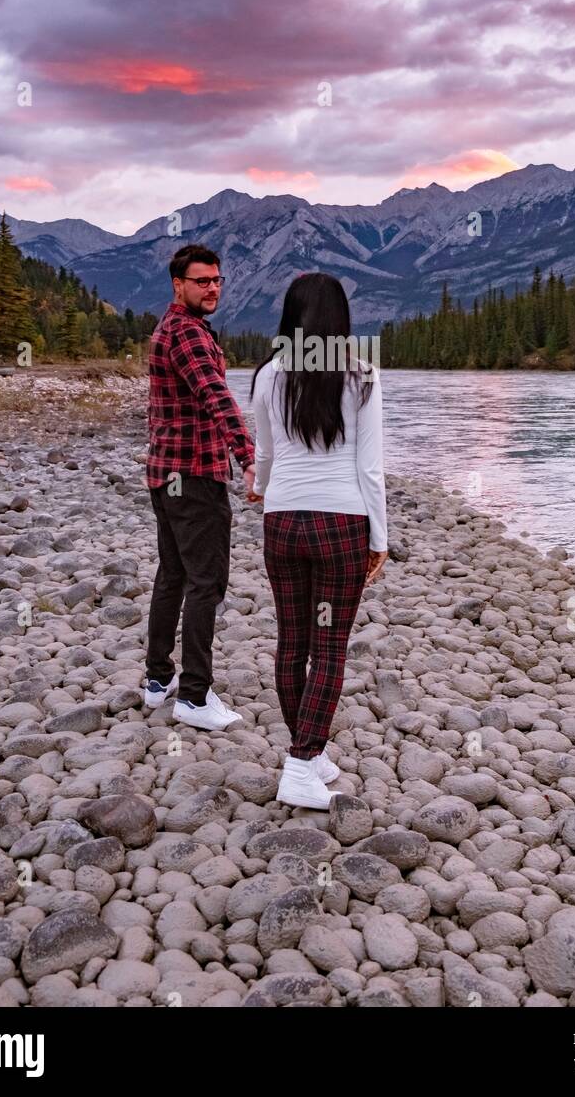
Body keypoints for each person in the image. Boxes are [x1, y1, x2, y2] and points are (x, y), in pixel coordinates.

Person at [248, 273, 388, 808]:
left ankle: (309, 751)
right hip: (340, 527)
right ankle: (302, 765)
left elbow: (264, 453)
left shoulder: (266, 374)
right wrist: (380, 537)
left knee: (292, 641)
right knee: (328, 648)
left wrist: (262, 489)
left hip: (283, 524)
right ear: (340, 320)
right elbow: (370, 469)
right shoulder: (361, 374)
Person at [143, 243, 256, 728]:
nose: (212, 288)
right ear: (178, 285)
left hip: (166, 474)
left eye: (217, 280)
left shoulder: (172, 327)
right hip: (194, 476)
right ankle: (194, 696)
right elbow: (217, 397)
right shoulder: (187, 334)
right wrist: (249, 456)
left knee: (174, 573)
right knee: (206, 582)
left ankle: (156, 678)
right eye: (202, 281)